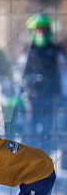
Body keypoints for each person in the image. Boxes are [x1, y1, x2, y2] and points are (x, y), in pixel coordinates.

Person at [18, 13, 66, 156]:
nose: (40, 33)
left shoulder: (56, 51)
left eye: (43, 30)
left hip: (51, 98)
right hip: (31, 99)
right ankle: (28, 161)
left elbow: (63, 74)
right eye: (37, 30)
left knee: (48, 130)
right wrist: (19, 95)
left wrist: (64, 96)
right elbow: (19, 74)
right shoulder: (27, 51)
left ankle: (46, 160)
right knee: (29, 130)